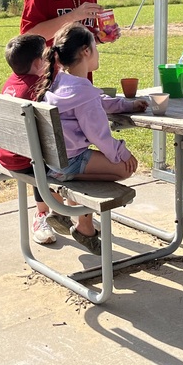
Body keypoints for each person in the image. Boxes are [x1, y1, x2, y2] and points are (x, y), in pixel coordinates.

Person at [36, 22, 146, 253]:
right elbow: (98, 135)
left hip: (51, 159)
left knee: (108, 163)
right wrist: (121, 152)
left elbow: (97, 100)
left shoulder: (61, 81)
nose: (97, 52)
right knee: (126, 168)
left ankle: (65, 211)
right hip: (69, 162)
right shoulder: (83, 90)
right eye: (95, 47)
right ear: (86, 51)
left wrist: (126, 105)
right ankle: (75, 207)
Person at [0, 33, 70, 245]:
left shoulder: (11, 83)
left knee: (40, 154)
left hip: (8, 154)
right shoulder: (40, 88)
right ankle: (50, 213)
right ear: (39, 63)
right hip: (28, 159)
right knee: (62, 158)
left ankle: (59, 212)